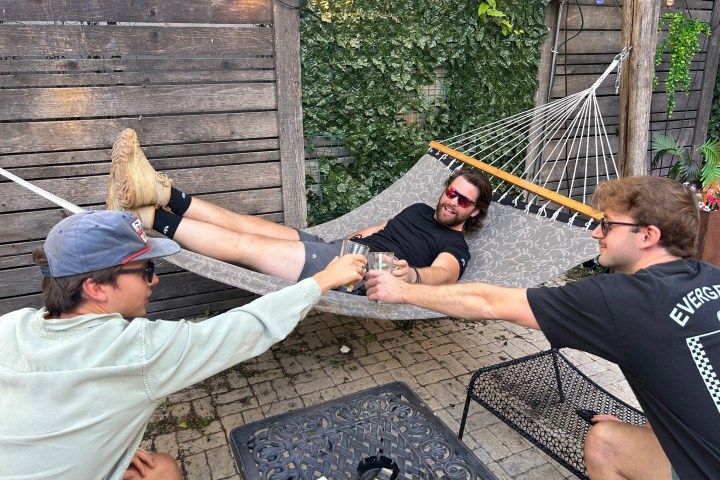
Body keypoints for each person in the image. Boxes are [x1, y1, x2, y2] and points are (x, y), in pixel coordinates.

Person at [365, 175, 720, 479]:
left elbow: (489, 303)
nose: (596, 232)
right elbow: (691, 375)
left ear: (647, 235)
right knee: (620, 432)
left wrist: (404, 290)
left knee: (605, 443)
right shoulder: (711, 277)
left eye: (608, 224)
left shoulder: (624, 299)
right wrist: (655, 429)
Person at [0, 210, 365, 479]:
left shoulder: (10, 326)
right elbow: (248, 328)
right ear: (95, 287)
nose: (154, 280)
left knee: (157, 468)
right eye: (145, 270)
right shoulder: (138, 351)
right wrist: (323, 280)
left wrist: (107, 450)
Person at [105, 128, 492, 292]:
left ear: (474, 212)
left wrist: (412, 277)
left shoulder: (455, 247)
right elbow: (383, 226)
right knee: (248, 225)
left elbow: (443, 275)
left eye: (462, 201)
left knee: (246, 245)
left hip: (357, 273)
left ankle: (145, 217)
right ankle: (160, 193)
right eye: (450, 192)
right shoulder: (421, 208)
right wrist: (348, 234)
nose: (451, 201)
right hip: (339, 247)